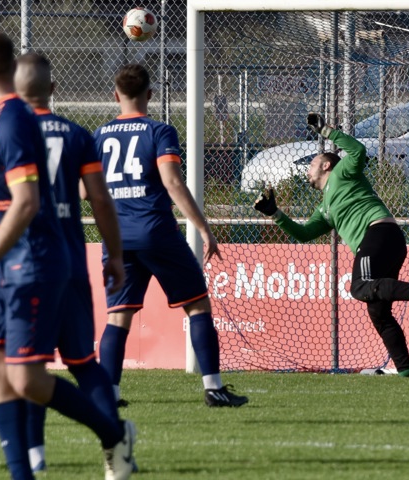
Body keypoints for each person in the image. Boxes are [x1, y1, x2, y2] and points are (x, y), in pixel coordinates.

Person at [0, 32, 134, 480]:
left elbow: (26, 201)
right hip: (8, 260)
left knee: (27, 376)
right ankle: (24, 470)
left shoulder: (12, 121)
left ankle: (111, 435)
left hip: (30, 259)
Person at [95, 64, 248, 408]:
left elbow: (83, 188)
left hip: (117, 237)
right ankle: (213, 388)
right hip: (156, 231)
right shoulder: (159, 130)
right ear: (150, 94)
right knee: (197, 305)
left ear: (115, 95)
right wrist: (203, 228)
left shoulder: (100, 135)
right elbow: (173, 181)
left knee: (118, 316)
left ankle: (108, 393)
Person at [253, 113, 409, 377]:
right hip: (386, 241)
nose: (308, 167)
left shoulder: (344, 171)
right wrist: (275, 214)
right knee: (379, 313)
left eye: (313, 163)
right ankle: (407, 373)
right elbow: (304, 233)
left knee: (359, 286)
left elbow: (358, 150)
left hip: (378, 234)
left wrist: (326, 130)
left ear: (327, 166)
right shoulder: (325, 207)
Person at [14, 52, 126, 474]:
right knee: (82, 361)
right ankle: (114, 450)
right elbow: (99, 199)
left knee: (31, 362)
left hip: (27, 262)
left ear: (14, 91)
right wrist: (114, 254)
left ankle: (34, 455)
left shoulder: (4, 131)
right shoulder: (78, 135)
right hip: (72, 259)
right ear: (53, 90)